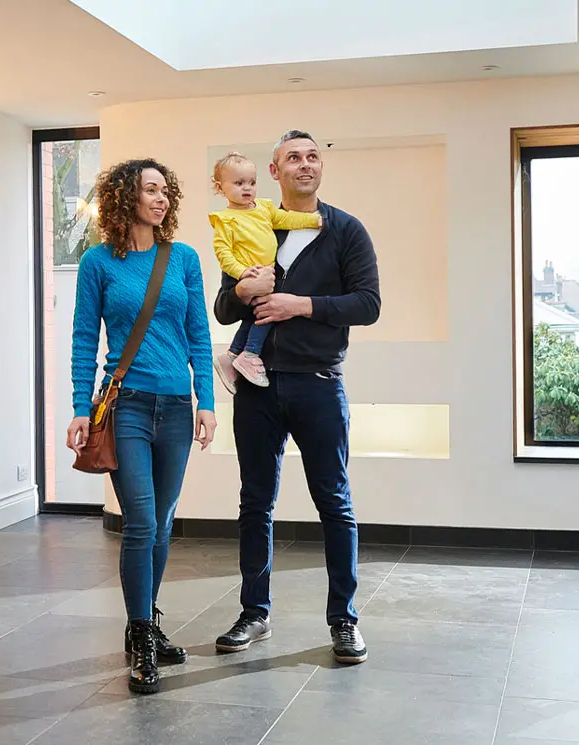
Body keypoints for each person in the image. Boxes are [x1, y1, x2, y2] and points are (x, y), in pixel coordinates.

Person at [211, 130, 380, 664]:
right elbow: (223, 306)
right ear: (274, 170)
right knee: (255, 503)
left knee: (335, 503)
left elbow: (368, 303)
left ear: (320, 168)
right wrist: (243, 291)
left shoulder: (345, 230)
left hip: (319, 385)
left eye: (313, 157)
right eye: (293, 158)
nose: (305, 165)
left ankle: (343, 621)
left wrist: (297, 305)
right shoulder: (249, 221)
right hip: (257, 388)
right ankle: (254, 613)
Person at [67, 158, 217, 695]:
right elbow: (86, 338)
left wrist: (205, 399)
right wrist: (81, 407)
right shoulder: (97, 263)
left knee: (163, 520)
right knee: (141, 522)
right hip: (126, 405)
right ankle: (141, 637)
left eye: (164, 191)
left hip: (177, 405)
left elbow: (199, 334)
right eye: (149, 190)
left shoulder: (184, 259)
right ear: (124, 198)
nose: (160, 199)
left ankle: (147, 623)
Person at [208, 152, 323, 392]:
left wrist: (313, 221)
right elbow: (223, 254)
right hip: (251, 274)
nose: (247, 188)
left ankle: (231, 356)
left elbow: (286, 219)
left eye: (252, 182)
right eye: (239, 184)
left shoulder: (263, 208)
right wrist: (243, 273)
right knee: (266, 312)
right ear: (220, 188)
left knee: (255, 316)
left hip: (267, 272)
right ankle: (249, 354)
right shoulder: (225, 219)